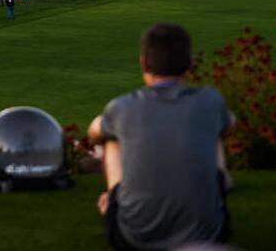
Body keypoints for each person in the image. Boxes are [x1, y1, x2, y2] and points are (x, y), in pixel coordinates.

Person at [88, 23, 232, 250]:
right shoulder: (210, 101)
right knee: (214, 131)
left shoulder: (122, 107)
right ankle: (221, 186)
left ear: (144, 62)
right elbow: (227, 128)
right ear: (190, 64)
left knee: (112, 138)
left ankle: (113, 201)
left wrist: (103, 124)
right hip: (208, 234)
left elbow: (94, 132)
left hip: (134, 238)